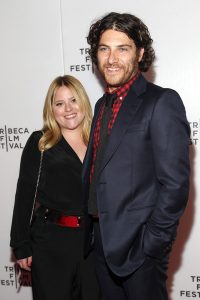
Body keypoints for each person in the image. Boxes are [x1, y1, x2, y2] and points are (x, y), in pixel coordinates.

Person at [82, 12, 190, 300]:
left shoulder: (161, 102)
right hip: (101, 242)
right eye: (104, 49)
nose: (112, 58)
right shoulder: (102, 105)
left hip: (139, 248)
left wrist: (152, 244)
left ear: (140, 53)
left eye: (123, 48)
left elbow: (175, 184)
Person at [10, 75, 100, 300]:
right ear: (51, 109)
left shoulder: (99, 142)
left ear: (83, 103)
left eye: (73, 100)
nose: (68, 109)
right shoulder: (40, 142)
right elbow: (24, 196)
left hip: (94, 243)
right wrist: (21, 245)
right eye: (59, 104)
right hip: (51, 243)